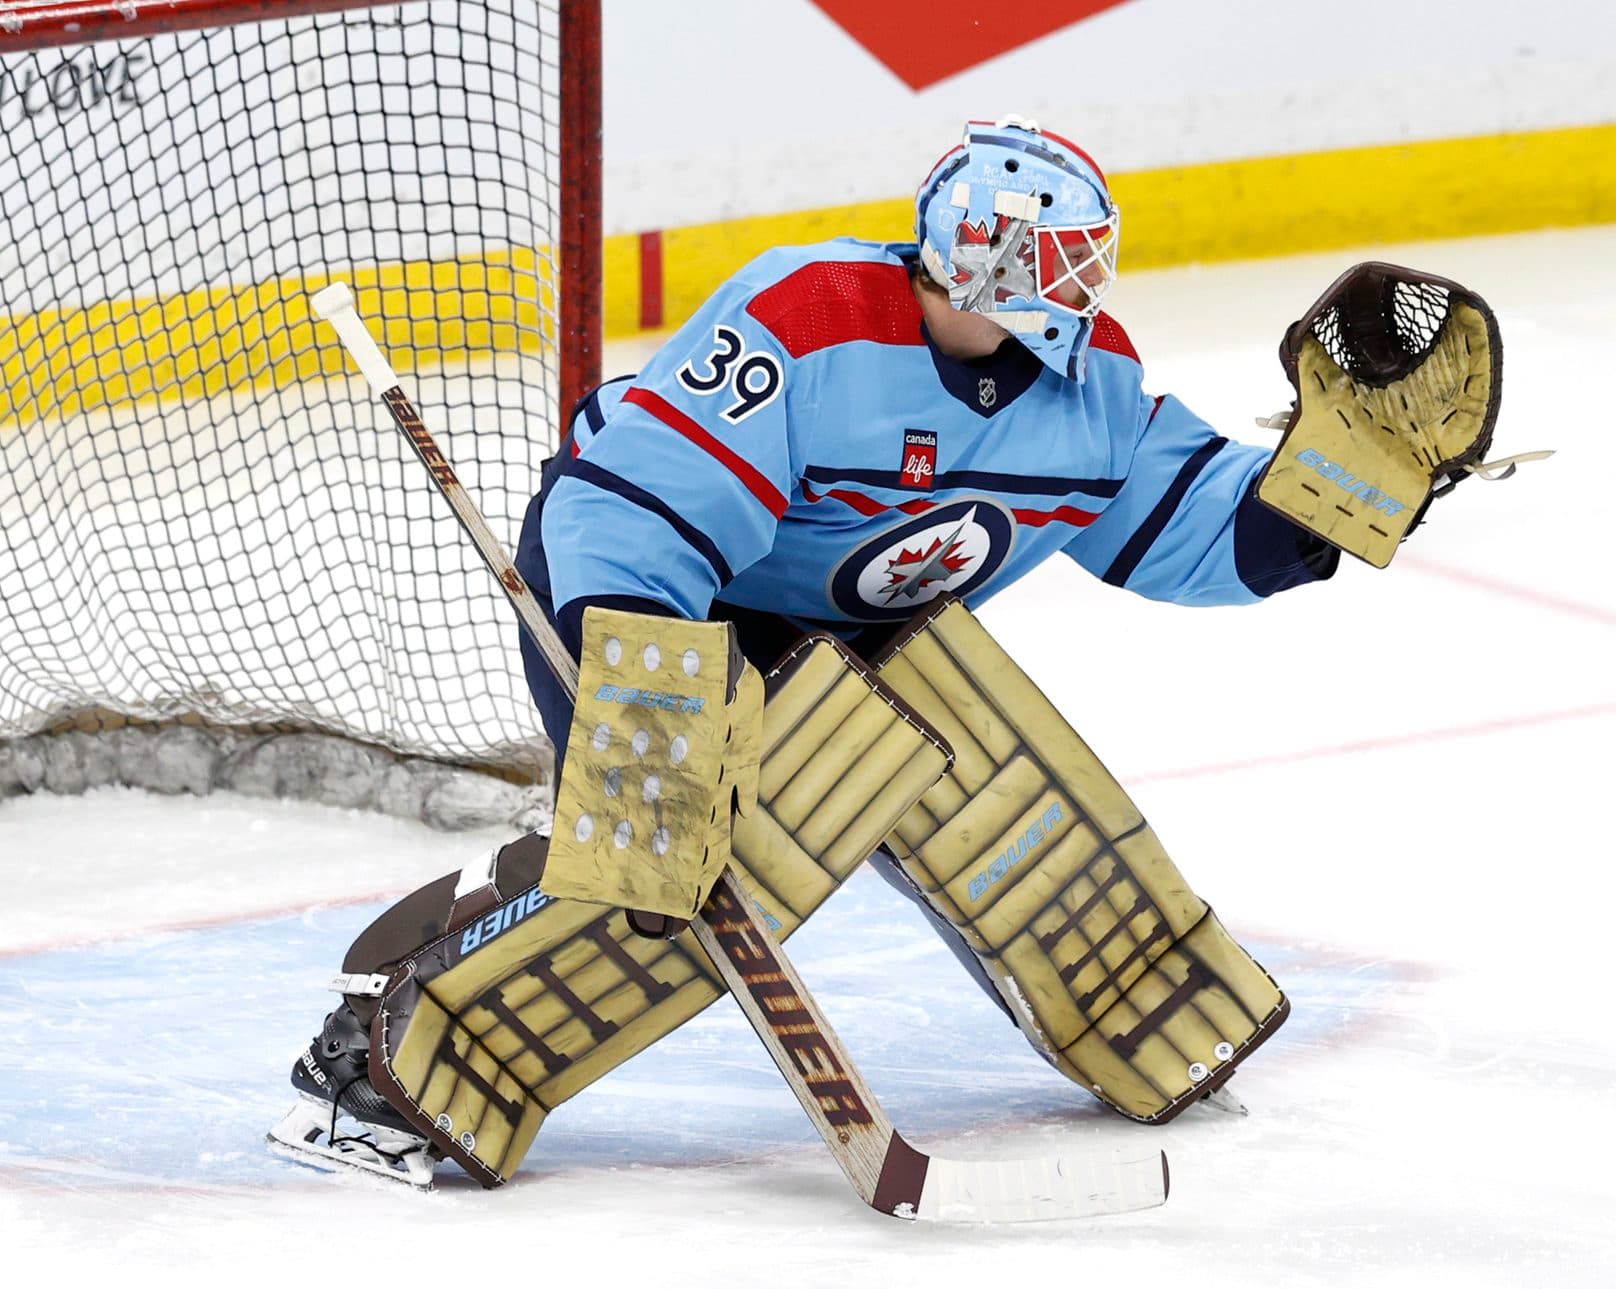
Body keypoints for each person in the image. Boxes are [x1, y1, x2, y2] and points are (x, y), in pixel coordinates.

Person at [272, 115, 1342, 1182]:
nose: (1085, 282)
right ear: (986, 258)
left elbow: (1187, 520)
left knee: (989, 795)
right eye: (1062, 257)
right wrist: (658, 707)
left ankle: (1132, 1016)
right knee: (661, 850)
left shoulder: (1089, 385)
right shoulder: (811, 318)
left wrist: (1332, 492)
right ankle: (376, 1044)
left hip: (842, 637)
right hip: (647, 586)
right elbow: (642, 506)